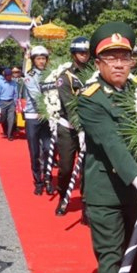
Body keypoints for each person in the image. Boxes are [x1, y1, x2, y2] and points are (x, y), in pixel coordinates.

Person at [78, 22, 137, 273]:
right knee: (111, 254)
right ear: (98, 63)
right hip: (106, 190)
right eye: (111, 58)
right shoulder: (90, 97)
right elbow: (111, 141)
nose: (119, 64)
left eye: (124, 57)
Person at [55, 36, 91, 215]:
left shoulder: (94, 74)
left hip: (89, 129)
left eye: (86, 52)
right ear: (74, 54)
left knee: (87, 169)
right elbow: (70, 107)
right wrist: (80, 129)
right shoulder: (66, 77)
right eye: (80, 52)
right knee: (66, 168)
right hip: (69, 128)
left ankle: (86, 205)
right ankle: (63, 196)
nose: (84, 56)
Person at [23, 45, 52, 195]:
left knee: (49, 149)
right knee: (35, 152)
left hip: (47, 117)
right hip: (33, 117)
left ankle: (48, 178)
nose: (41, 61)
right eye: (38, 58)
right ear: (34, 60)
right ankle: (38, 181)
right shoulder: (30, 75)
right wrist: (44, 109)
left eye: (43, 58)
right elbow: (35, 95)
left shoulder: (51, 74)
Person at [0, 68, 19, 140]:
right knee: (3, 119)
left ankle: (10, 134)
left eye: (10, 75)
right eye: (7, 75)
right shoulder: (0, 83)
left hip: (11, 102)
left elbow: (16, 93)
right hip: (2, 102)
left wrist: (15, 102)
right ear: (5, 76)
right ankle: (5, 130)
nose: (9, 77)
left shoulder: (14, 83)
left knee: (11, 118)